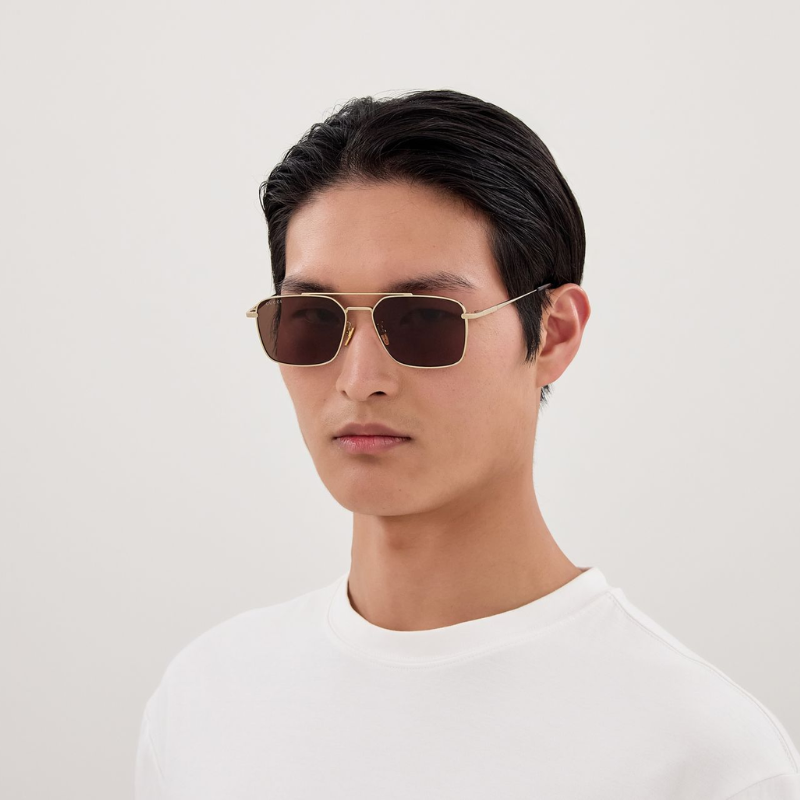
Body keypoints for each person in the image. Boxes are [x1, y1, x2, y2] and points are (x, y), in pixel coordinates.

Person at [135, 89, 800, 799]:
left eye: (424, 319)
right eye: (314, 319)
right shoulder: (207, 699)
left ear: (554, 333)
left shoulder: (700, 758)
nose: (360, 380)